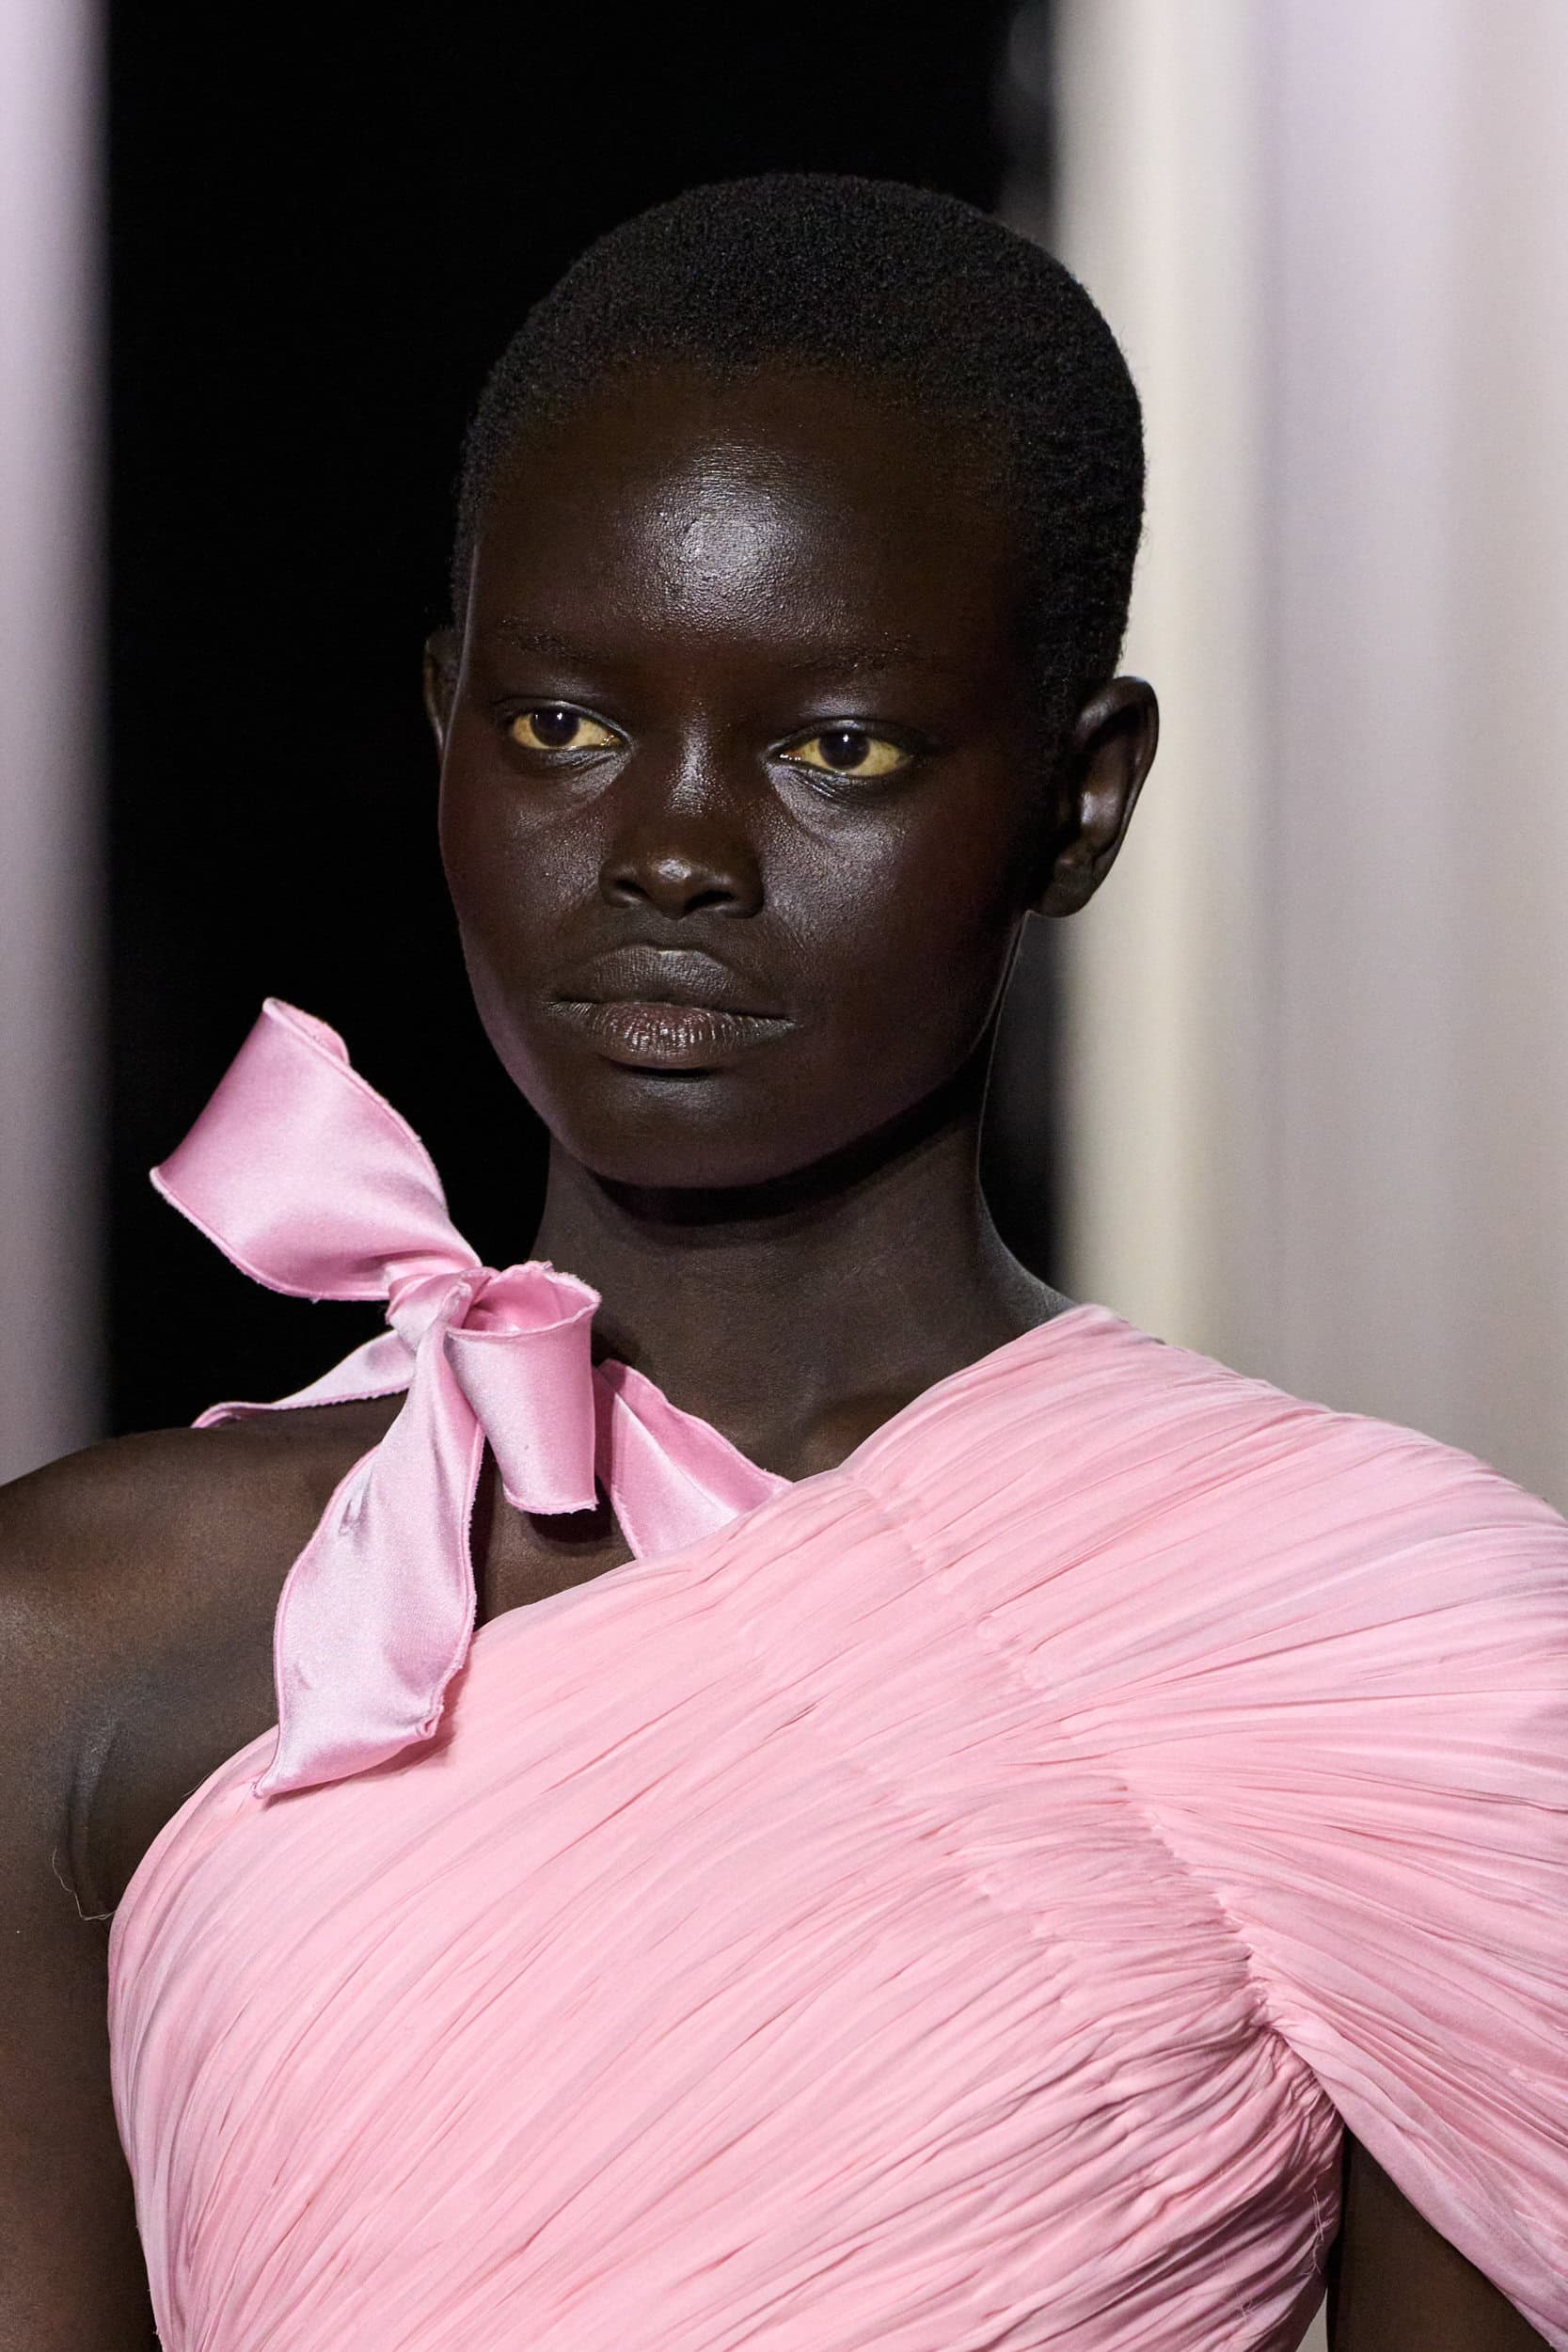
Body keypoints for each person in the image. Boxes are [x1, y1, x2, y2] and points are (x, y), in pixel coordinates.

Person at [2, 175, 1562, 2352]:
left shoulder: (1386, 1655)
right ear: (444, 724)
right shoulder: (76, 1637)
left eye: (837, 746)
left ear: (1083, 797)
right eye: (565, 725)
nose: (670, 850)